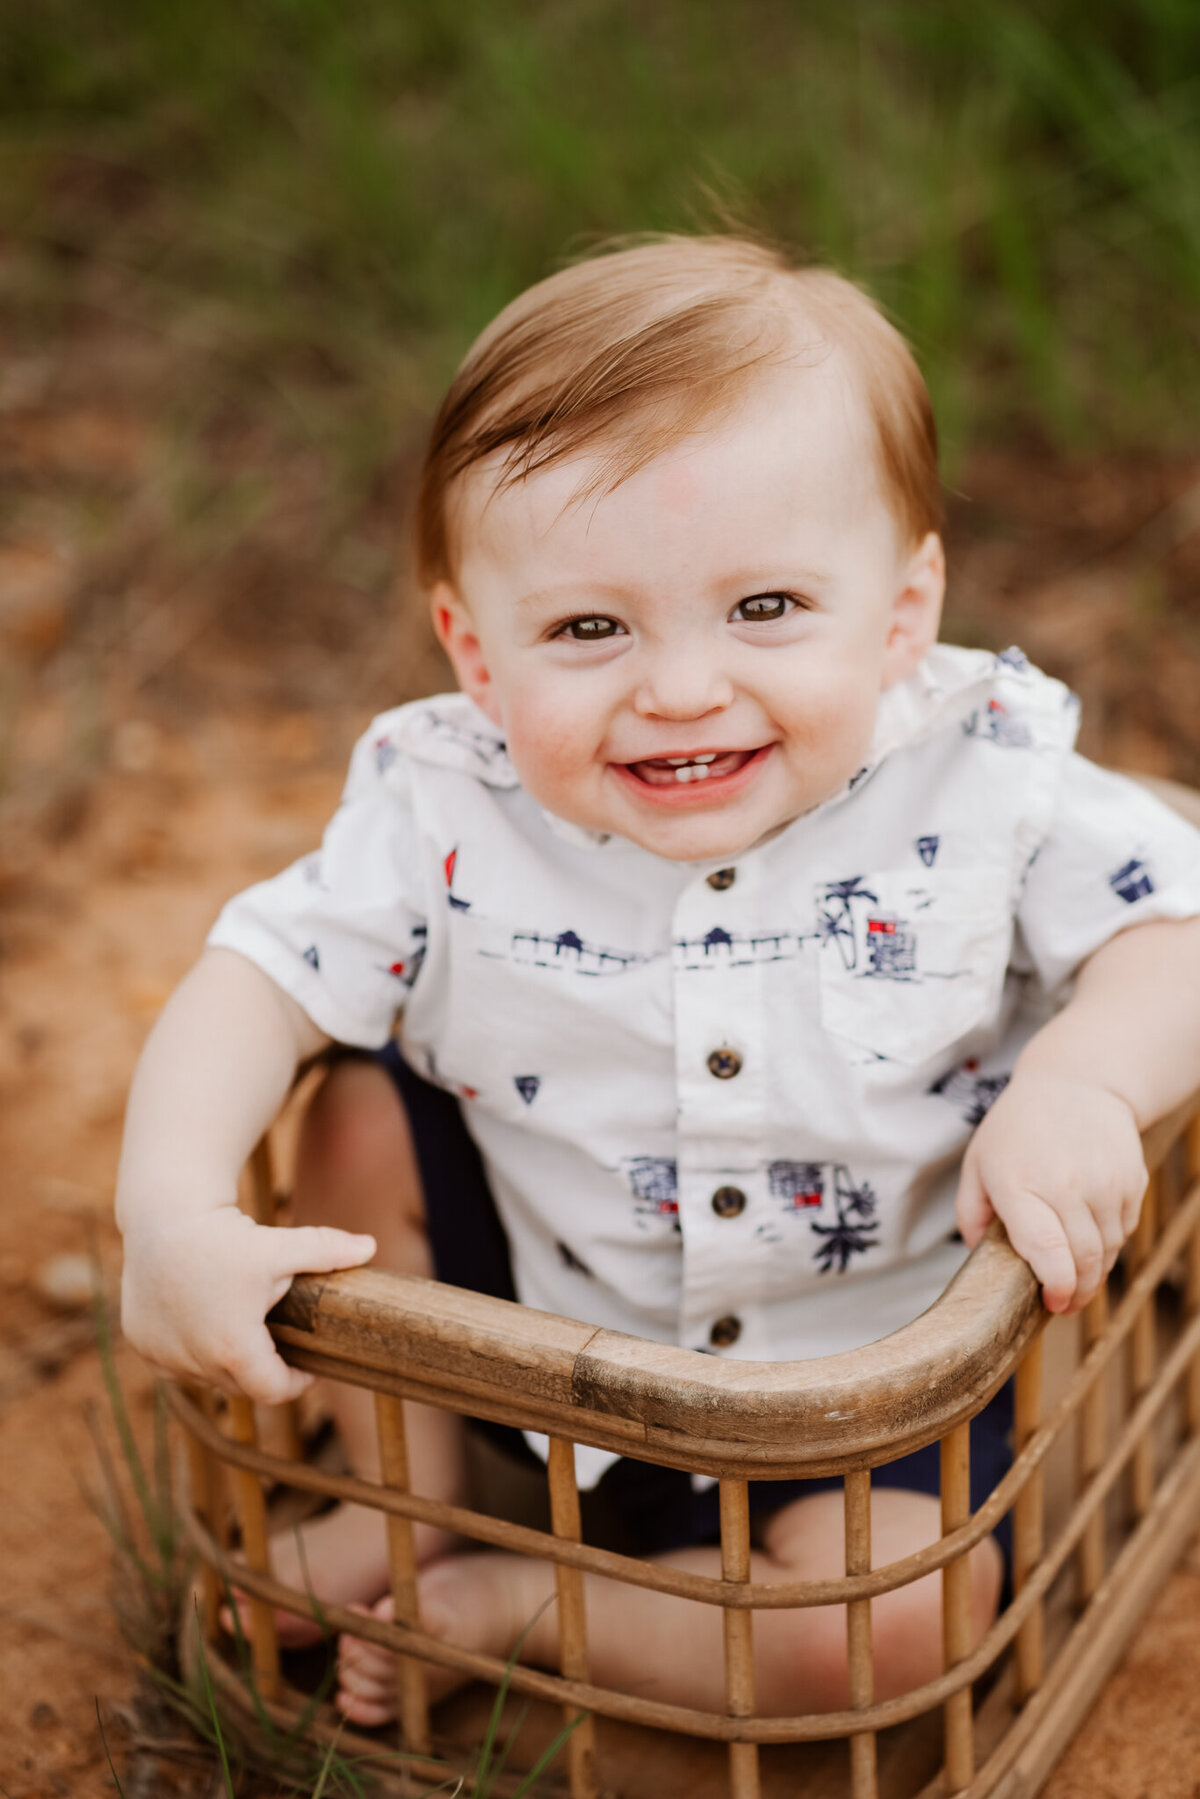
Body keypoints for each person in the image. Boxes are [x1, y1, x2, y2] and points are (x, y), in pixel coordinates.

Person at [116, 236, 1200, 1727]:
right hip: (524, 1344)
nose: (681, 686)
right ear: (475, 653)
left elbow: (1179, 927)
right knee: (357, 1108)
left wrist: (1083, 1081)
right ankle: (405, 1494)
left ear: (901, 612)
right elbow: (253, 977)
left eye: (765, 609)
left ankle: (534, 1609)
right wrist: (170, 1212)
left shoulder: (984, 771)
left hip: (872, 1391)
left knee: (892, 1630)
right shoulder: (448, 803)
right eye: (587, 628)